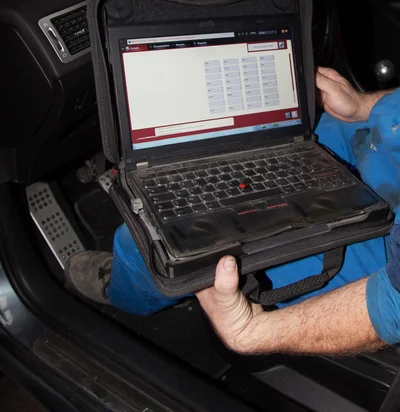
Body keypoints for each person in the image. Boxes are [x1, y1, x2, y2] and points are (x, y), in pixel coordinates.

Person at [66, 67, 400, 352]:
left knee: (148, 236)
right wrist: (364, 106)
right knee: (287, 137)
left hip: (389, 246)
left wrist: (252, 333)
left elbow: (394, 305)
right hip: (385, 142)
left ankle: (127, 292)